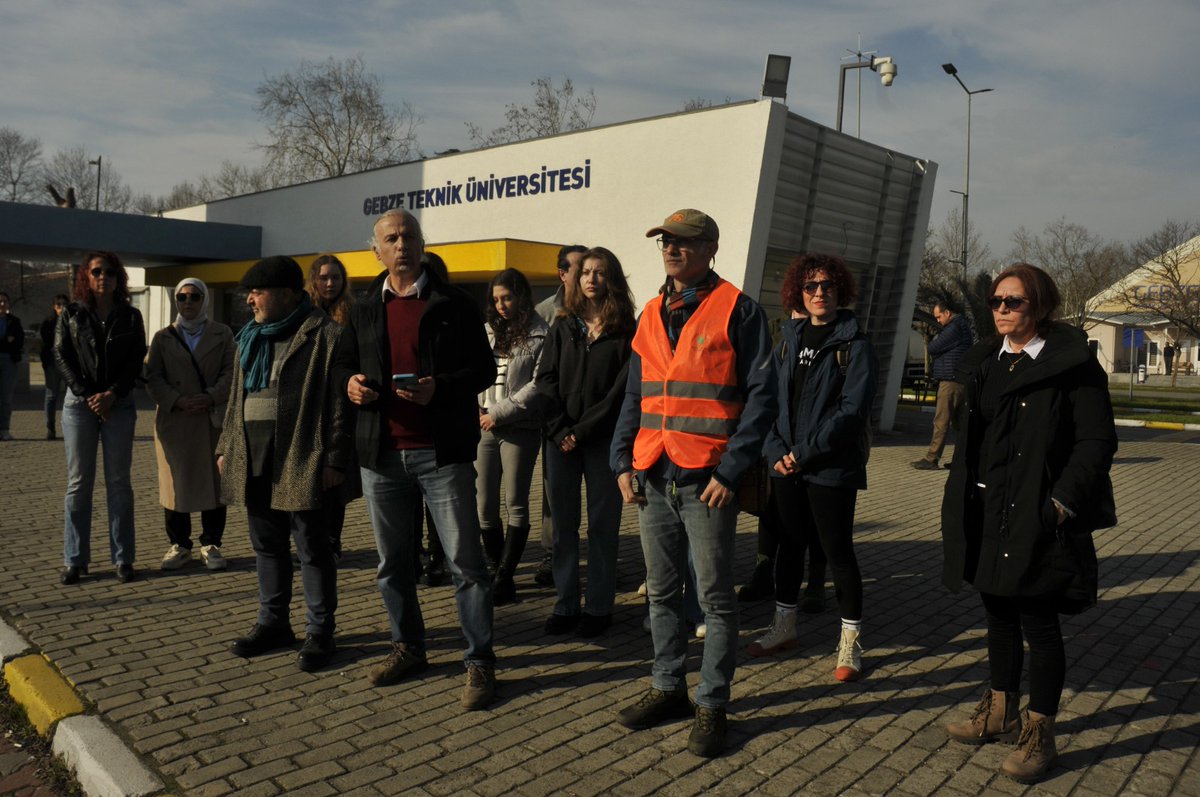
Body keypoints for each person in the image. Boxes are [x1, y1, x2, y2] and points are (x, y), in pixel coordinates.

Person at [942, 263, 1117, 784]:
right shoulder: (987, 360)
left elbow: (1096, 441)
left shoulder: (1072, 364)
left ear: (1039, 306)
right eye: (995, 301)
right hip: (986, 508)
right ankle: (1000, 712)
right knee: (997, 614)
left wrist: (1061, 502)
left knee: (1038, 624)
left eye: (1012, 301)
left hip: (1038, 513)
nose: (1000, 309)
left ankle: (1041, 731)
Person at [611, 209, 776, 757]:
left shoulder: (739, 309)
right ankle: (668, 688)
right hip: (653, 474)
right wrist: (621, 462)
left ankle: (712, 702)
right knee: (661, 593)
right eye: (664, 240)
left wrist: (732, 470)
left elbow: (762, 399)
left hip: (708, 480)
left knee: (714, 599)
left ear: (710, 248)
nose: (670, 248)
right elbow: (635, 394)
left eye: (682, 241)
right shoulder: (651, 312)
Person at [333, 209, 498, 711]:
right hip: (382, 455)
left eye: (409, 236)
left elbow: (483, 369)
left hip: (442, 454)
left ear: (422, 244)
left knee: (466, 564)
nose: (401, 244)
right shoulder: (363, 308)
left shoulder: (454, 303)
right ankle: (408, 648)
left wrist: (439, 388)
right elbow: (342, 363)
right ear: (376, 251)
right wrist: (349, 383)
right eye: (391, 238)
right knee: (392, 564)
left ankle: (479, 661)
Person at [219, 256, 350, 672]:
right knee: (266, 545)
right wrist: (225, 446)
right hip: (254, 454)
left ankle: (320, 631)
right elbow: (235, 399)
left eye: (258, 291)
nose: (250, 299)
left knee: (312, 547)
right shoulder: (250, 337)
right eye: (249, 292)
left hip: (301, 456)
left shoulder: (325, 335)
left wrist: (334, 458)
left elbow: (339, 405)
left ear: (288, 294)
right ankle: (273, 623)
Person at [753, 254, 878, 679]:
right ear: (798, 293)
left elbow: (852, 411)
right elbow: (769, 401)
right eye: (810, 286)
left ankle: (850, 644)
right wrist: (774, 450)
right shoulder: (787, 339)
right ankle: (784, 627)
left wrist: (803, 453)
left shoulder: (855, 345)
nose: (819, 292)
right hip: (786, 465)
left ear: (840, 290)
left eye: (827, 285)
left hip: (829, 467)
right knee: (789, 547)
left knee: (838, 552)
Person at [538, 247, 636, 638]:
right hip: (559, 441)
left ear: (612, 279)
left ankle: (598, 607)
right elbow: (545, 380)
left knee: (602, 527)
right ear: (576, 279)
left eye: (600, 272)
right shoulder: (563, 326)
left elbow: (621, 392)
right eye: (585, 272)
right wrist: (560, 429)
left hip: (603, 442)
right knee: (563, 528)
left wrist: (582, 431)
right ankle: (565, 605)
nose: (591, 279)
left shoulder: (625, 330)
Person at [54, 252, 147, 584]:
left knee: (119, 482)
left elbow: (136, 358)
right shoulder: (72, 313)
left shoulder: (131, 316)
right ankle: (75, 559)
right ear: (86, 276)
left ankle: (123, 558)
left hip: (118, 404)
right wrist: (86, 394)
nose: (103, 276)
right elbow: (61, 354)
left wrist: (112, 394)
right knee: (79, 483)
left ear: (118, 277)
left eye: (109, 271)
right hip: (80, 405)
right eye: (96, 271)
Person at [145, 278, 235, 572]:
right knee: (174, 483)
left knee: (214, 483)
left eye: (194, 296)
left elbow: (232, 371)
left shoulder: (222, 333)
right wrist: (178, 400)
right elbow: (153, 377)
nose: (188, 302)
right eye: (182, 297)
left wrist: (210, 396)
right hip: (175, 420)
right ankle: (180, 544)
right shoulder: (163, 337)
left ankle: (211, 544)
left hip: (210, 418)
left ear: (204, 299)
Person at [478, 267, 550, 605]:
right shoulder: (486, 331)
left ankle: (505, 578)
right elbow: (475, 372)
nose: (501, 305)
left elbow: (537, 385)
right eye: (496, 300)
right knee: (484, 506)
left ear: (521, 296)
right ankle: (495, 570)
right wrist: (479, 410)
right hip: (483, 426)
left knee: (516, 503)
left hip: (519, 427)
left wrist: (499, 413)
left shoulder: (540, 333)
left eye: (507, 298)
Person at [533, 244, 587, 586]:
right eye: (579, 269)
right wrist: (555, 424)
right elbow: (538, 374)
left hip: (592, 422)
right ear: (562, 274)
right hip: (555, 421)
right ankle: (552, 553)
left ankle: (600, 556)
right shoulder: (543, 313)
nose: (586, 276)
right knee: (553, 495)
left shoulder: (604, 310)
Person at [306, 254, 361, 561]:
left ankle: (332, 540)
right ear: (314, 280)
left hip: (341, 403)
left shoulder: (353, 313)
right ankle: (312, 539)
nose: (330, 283)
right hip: (309, 405)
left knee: (336, 476)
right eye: (324, 277)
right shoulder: (304, 314)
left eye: (335, 277)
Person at [913, 299, 973, 470]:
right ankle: (962, 460)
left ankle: (932, 459)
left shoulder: (954, 328)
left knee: (941, 421)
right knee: (960, 423)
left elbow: (933, 347)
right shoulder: (961, 325)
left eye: (939, 317)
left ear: (947, 313)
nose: (938, 321)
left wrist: (937, 346)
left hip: (950, 380)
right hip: (959, 379)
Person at [38, 295, 69, 440]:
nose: (61, 308)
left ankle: (71, 427)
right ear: (54, 307)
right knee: (51, 395)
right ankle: (50, 428)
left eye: (64, 304)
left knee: (73, 396)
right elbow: (46, 344)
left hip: (69, 364)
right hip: (53, 363)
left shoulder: (73, 321)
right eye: (58, 305)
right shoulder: (48, 323)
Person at [0, 291, 25, 441]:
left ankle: (4, 429)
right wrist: (6, 341)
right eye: (0, 301)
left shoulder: (14, 321)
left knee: (6, 397)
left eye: (5, 301)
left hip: (9, 361)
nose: (2, 304)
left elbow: (18, 340)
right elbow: (8, 341)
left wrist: (10, 342)